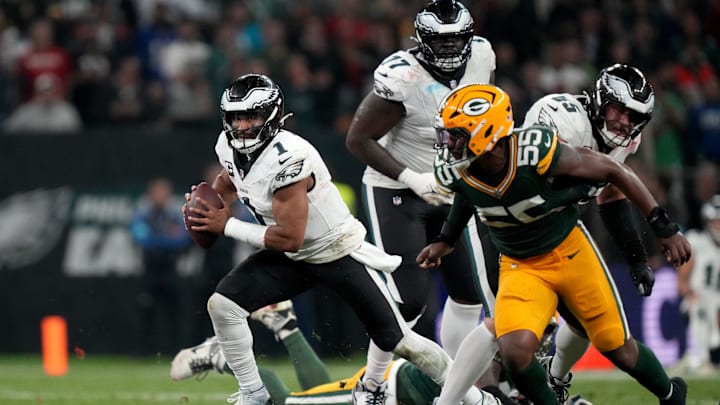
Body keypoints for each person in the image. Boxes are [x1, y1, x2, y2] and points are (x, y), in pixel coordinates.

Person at [183, 73, 483, 405]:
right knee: (223, 306)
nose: (241, 126)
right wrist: (210, 202)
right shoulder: (227, 145)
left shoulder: (289, 157)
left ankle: (476, 399)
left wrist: (225, 225)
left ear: (271, 115)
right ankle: (255, 395)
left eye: (250, 116)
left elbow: (290, 238)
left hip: (335, 250)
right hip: (294, 258)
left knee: (400, 341)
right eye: (235, 117)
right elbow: (230, 177)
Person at [419, 83, 691, 405]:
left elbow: (612, 171)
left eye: (456, 136)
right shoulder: (456, 170)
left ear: (486, 135)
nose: (447, 144)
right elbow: (469, 194)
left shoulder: (534, 151)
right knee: (515, 353)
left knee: (617, 346)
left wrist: (662, 226)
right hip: (519, 264)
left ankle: (671, 394)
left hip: (569, 251)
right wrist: (446, 239)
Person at [345, 0, 501, 400]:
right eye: (440, 43)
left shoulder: (482, 56)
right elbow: (357, 139)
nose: (450, 51)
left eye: (456, 42)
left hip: (453, 188)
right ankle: (372, 384)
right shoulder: (403, 76)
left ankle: (449, 383)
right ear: (421, 41)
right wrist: (413, 178)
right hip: (395, 188)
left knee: (468, 293)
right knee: (409, 300)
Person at [170, 300, 505, 405]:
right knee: (286, 404)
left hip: (409, 384)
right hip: (401, 391)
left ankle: (286, 326)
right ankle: (221, 355)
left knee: (318, 394)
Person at [129, 177, 192, 356]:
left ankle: (175, 352)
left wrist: (158, 237)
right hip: (150, 272)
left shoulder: (175, 215)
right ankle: (144, 352)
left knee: (174, 314)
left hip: (171, 271)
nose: (160, 196)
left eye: (164, 192)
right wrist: (166, 237)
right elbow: (142, 239)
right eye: (157, 192)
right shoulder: (143, 214)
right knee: (146, 313)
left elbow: (183, 239)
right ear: (150, 195)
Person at [677, 195, 720, 374]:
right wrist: (691, 294)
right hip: (700, 300)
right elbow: (681, 282)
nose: (718, 226)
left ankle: (703, 358)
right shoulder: (697, 242)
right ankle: (701, 359)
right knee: (699, 307)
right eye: (716, 221)